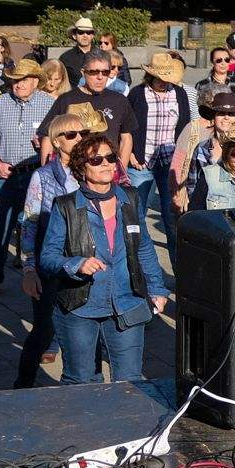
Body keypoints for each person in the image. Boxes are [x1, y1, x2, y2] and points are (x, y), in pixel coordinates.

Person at [38, 131, 172, 385]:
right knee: (82, 381)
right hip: (80, 306)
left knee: (130, 383)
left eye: (110, 158)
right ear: (81, 168)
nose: (106, 164)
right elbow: (47, 257)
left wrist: (157, 288)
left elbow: (143, 247)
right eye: (96, 160)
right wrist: (76, 264)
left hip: (127, 302)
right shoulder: (65, 206)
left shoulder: (130, 199)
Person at [17, 109, 99, 387]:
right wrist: (29, 269)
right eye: (71, 134)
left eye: (84, 133)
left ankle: (88, 384)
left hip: (89, 260)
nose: (79, 139)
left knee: (91, 328)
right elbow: (29, 223)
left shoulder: (94, 170)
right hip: (51, 263)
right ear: (56, 141)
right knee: (43, 330)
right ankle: (23, 385)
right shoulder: (43, 176)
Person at [0, 58, 52, 291]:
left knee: (39, 227)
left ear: (34, 81)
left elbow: (62, 138)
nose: (17, 85)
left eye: (22, 80)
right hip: (6, 175)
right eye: (13, 81)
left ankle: (42, 277)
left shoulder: (50, 104)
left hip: (36, 176)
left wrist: (45, 144)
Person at [128, 51, 191, 234]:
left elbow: (185, 128)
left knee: (172, 217)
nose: (164, 82)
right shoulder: (137, 94)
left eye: (167, 78)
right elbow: (127, 127)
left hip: (170, 163)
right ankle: (137, 261)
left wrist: (182, 161)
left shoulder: (179, 94)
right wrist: (131, 154)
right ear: (150, 75)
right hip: (141, 161)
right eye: (159, 78)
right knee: (136, 217)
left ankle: (176, 262)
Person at [52, 53, 137, 180]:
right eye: (94, 72)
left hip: (107, 171)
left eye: (105, 72)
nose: (100, 77)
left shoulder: (119, 100)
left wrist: (118, 171)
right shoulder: (66, 100)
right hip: (73, 174)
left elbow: (126, 138)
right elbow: (49, 136)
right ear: (83, 72)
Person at [196, 45, 235, 113]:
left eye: (227, 60)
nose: (223, 63)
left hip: (232, 121)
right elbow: (195, 108)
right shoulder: (202, 85)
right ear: (212, 62)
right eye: (219, 60)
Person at [58, 17, 97, 86]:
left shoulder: (102, 55)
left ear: (92, 35)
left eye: (88, 32)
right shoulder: (65, 58)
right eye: (81, 32)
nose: (85, 35)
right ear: (74, 36)